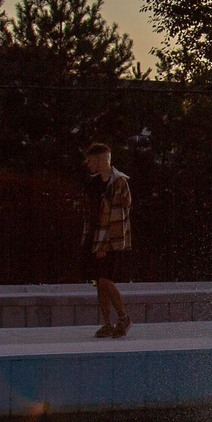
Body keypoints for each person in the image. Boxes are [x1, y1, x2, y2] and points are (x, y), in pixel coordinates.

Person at [82, 142, 133, 338]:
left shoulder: (118, 183)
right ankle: (107, 323)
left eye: (90, 160)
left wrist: (104, 244)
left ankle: (123, 317)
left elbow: (118, 217)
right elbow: (90, 214)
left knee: (105, 279)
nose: (87, 164)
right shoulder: (93, 184)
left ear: (100, 159)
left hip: (110, 241)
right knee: (99, 281)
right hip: (95, 239)